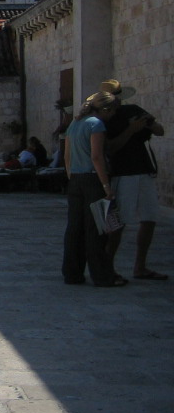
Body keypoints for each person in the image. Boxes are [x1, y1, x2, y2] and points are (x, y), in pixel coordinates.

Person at [101, 79, 167, 280]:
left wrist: (150, 123)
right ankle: (107, 267)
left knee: (150, 218)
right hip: (123, 173)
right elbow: (110, 148)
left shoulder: (133, 110)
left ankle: (140, 266)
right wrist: (131, 130)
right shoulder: (104, 119)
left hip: (143, 170)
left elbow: (160, 131)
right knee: (118, 223)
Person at [62, 91, 125, 287]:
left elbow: (67, 156)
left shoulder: (75, 123)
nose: (113, 115)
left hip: (76, 180)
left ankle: (72, 273)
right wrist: (106, 186)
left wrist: (72, 177)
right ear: (106, 109)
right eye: (113, 111)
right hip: (92, 180)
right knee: (96, 231)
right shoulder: (96, 124)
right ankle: (102, 276)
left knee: (74, 229)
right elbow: (97, 157)